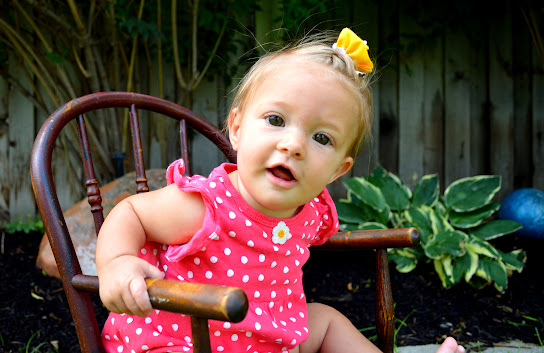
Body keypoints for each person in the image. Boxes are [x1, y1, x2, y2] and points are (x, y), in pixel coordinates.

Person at [96, 28, 465, 353]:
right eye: (276, 120)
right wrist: (117, 263)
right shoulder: (206, 205)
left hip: (268, 340)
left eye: (322, 138)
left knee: (326, 321)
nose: (293, 145)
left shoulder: (312, 214)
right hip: (183, 341)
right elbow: (131, 213)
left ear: (338, 170)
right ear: (237, 128)